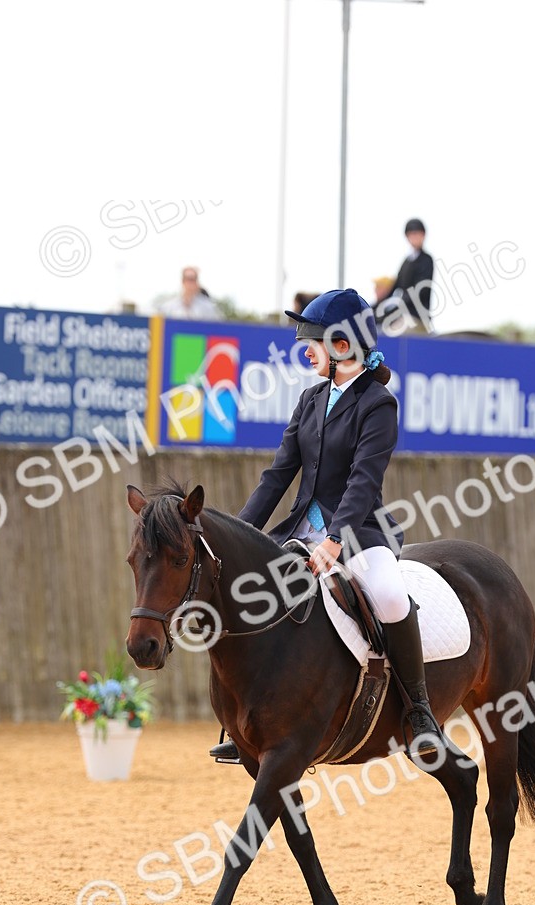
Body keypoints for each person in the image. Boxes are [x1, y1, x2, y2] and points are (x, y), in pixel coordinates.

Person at [209, 287, 442, 763]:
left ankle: (419, 709)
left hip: (359, 533)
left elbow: (363, 479)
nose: (305, 350)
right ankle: (245, 723)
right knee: (253, 591)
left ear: (342, 345)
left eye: (312, 341)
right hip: (300, 530)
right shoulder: (311, 399)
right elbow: (277, 476)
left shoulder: (378, 404)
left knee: (393, 598)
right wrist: (233, 535)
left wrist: (337, 539)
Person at [374, 218, 434, 332]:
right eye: (412, 234)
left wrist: (398, 304)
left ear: (423, 236)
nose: (414, 238)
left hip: (417, 316)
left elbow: (421, 290)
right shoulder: (406, 262)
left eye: (417, 234)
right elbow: (395, 286)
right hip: (402, 313)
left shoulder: (427, 260)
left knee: (393, 332)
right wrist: (377, 307)